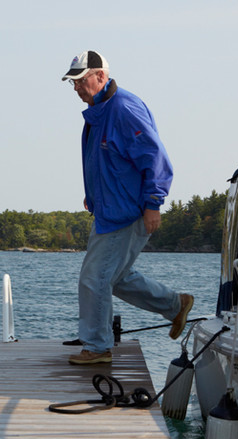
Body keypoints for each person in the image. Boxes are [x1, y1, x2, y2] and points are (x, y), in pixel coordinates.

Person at [62, 50, 193, 365]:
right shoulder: (99, 112)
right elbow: (105, 160)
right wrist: (92, 194)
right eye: (72, 82)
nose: (77, 87)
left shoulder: (123, 109)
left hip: (128, 213)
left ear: (101, 76)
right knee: (115, 278)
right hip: (108, 212)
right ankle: (176, 305)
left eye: (81, 80)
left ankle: (97, 348)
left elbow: (155, 158)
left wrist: (153, 203)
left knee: (94, 278)